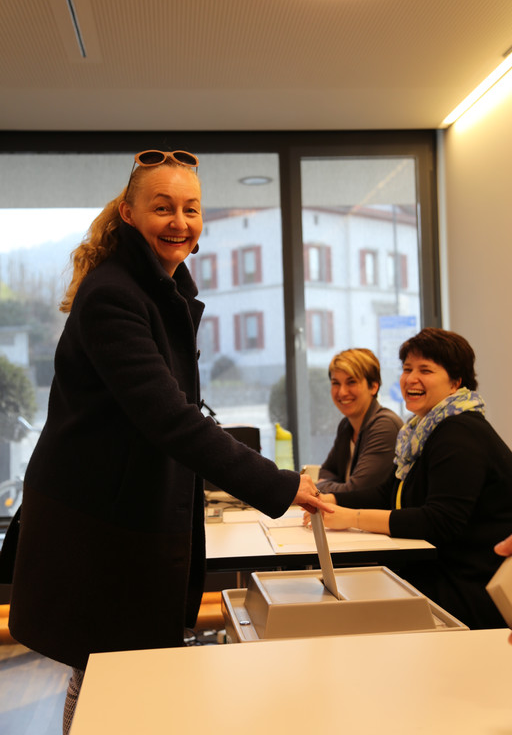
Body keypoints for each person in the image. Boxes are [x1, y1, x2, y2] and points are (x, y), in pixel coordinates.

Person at [3, 149, 328, 734]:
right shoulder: (115, 294)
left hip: (125, 513)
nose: (180, 222)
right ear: (129, 214)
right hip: (99, 526)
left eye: (191, 209)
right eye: (163, 207)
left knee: (118, 677)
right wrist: (278, 485)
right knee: (107, 677)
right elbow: (170, 418)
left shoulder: (160, 288)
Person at [306, 327, 512, 630]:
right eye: (406, 369)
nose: (411, 379)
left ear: (455, 382)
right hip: (433, 570)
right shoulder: (421, 431)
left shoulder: (459, 432)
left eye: (425, 370)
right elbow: (388, 492)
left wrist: (352, 517)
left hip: (466, 588)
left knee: (342, 612)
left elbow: (439, 521)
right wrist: (330, 500)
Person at [316, 348, 402, 494]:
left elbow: (357, 490)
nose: (342, 392)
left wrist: (320, 487)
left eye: (351, 382)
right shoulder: (346, 426)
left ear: (373, 387)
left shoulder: (385, 426)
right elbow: (326, 471)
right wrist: (331, 485)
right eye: (336, 383)